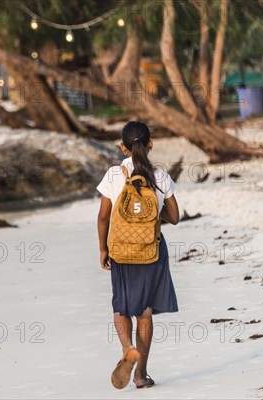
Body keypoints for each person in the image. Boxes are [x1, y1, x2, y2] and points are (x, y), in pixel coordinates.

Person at [96, 121, 180, 389]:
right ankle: (141, 375)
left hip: (121, 250)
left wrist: (103, 248)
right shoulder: (160, 176)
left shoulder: (113, 175)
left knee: (121, 306)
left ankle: (127, 348)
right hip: (151, 250)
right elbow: (176, 217)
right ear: (151, 144)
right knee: (145, 313)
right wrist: (154, 214)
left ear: (123, 147)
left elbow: (103, 217)